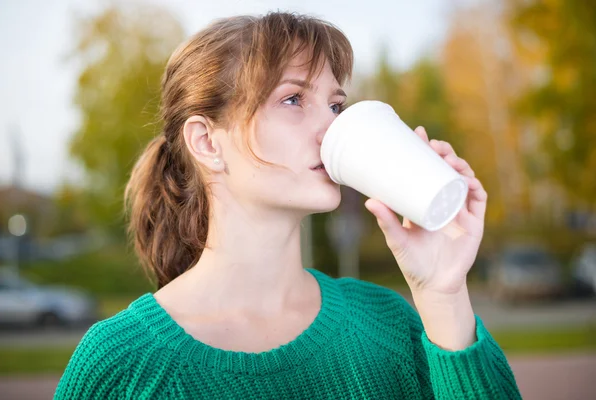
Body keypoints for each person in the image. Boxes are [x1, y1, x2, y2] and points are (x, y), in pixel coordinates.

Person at [55, 11, 521, 399]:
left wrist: (444, 295)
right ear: (206, 142)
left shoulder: (390, 326)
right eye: (294, 99)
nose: (330, 129)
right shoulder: (122, 364)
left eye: (336, 105)